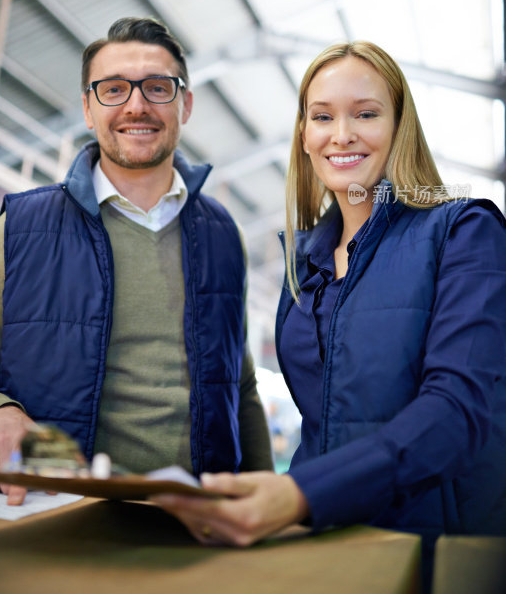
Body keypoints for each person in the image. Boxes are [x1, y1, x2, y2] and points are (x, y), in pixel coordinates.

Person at [151, 40, 506, 586]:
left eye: (365, 113)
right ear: (304, 135)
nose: (342, 134)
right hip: (326, 541)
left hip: (435, 551)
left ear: (399, 125)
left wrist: (300, 494)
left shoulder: (463, 232)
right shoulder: (303, 265)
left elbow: (457, 411)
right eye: (323, 116)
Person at [0, 16, 272, 504]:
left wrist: (267, 499)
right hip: (60, 512)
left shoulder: (222, 233)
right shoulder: (23, 227)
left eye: (157, 87)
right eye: (113, 89)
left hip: (197, 521)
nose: (136, 105)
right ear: (89, 108)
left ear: (186, 104)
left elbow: (241, 387)